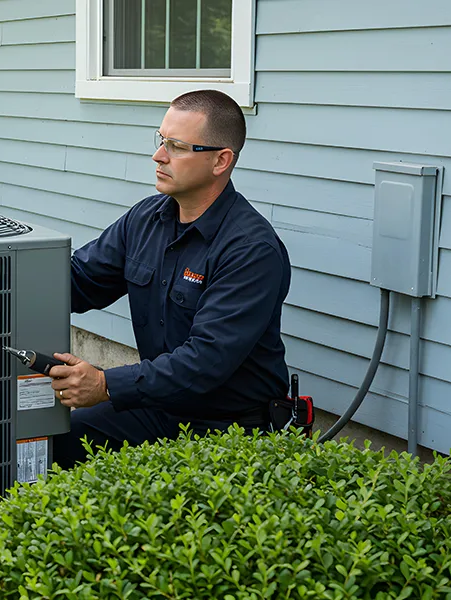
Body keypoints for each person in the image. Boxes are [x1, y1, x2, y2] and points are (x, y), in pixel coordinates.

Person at [50, 90, 291, 469]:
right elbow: (79, 281)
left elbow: (205, 360)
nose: (158, 156)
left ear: (220, 161)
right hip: (160, 406)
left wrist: (105, 384)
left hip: (229, 428)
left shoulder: (250, 250)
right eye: (161, 140)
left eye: (177, 146)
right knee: (51, 441)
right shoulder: (146, 219)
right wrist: (0, 285)